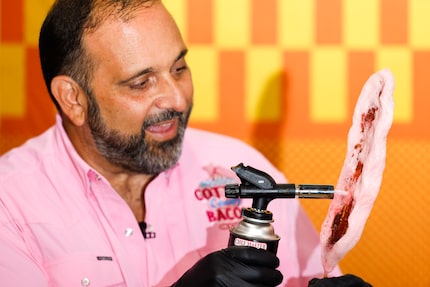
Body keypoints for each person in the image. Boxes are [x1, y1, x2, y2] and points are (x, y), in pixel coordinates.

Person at [0, 0, 372, 286]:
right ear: (73, 99)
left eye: (179, 69)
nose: (176, 99)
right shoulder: (11, 201)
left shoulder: (235, 164)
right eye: (141, 83)